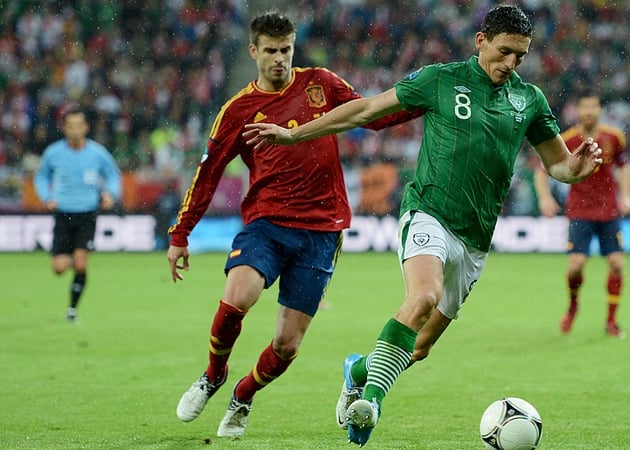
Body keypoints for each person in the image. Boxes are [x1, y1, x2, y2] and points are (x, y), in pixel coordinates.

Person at [243, 5, 603, 446]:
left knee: (419, 346)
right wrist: (294, 133)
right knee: (423, 297)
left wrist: (577, 169)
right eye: (505, 52)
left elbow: (558, 166)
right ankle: (369, 405)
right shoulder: (440, 80)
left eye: (520, 57)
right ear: (481, 42)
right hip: (428, 212)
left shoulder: (528, 100)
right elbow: (366, 111)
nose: (510, 64)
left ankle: (358, 370)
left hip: (475, 240)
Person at [167, 11, 419, 439]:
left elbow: (368, 114)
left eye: (286, 50)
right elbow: (208, 174)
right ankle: (213, 375)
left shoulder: (320, 82)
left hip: (322, 231)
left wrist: (417, 100)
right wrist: (180, 234)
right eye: (270, 51)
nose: (280, 58)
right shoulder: (238, 110)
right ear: (253, 52)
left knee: (287, 346)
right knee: (238, 297)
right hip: (267, 221)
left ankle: (242, 396)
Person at [538, 91, 630, 338]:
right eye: (584, 106)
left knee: (616, 263)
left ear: (600, 110)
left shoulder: (614, 137)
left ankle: (611, 321)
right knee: (576, 266)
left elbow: (622, 167)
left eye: (593, 106)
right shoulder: (566, 140)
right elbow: (541, 169)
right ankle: (573, 305)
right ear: (577, 111)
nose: (588, 111)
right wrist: (545, 198)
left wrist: (626, 196)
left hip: (609, 209)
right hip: (580, 209)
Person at [34, 107, 121, 322]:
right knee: (59, 268)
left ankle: (72, 310)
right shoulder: (53, 153)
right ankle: (76, 255)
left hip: (87, 213)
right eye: (70, 126)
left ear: (86, 128)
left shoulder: (98, 153)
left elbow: (113, 175)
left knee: (81, 265)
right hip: (63, 213)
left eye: (78, 126)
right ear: (64, 128)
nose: (74, 130)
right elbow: (41, 177)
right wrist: (47, 197)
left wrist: (110, 194)